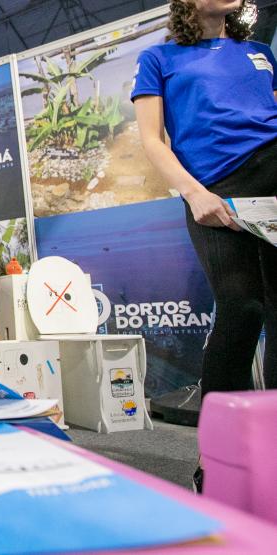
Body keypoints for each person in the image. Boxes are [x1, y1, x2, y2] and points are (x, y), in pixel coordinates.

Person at [133, 0, 277, 490]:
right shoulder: (160, 59)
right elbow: (153, 140)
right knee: (242, 310)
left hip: (274, 171)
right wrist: (195, 195)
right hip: (216, 187)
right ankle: (217, 460)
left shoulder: (258, 51)